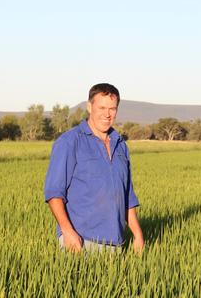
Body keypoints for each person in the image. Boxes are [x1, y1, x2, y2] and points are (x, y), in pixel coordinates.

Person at [43, 83, 144, 253]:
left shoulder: (121, 146)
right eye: (102, 107)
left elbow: (127, 195)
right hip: (80, 241)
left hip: (115, 243)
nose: (107, 114)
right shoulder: (70, 142)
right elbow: (54, 193)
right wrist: (67, 232)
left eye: (112, 108)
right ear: (89, 107)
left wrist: (138, 235)